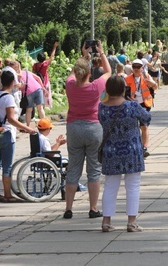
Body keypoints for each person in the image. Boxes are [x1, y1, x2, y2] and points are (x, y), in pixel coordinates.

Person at [63, 41, 111, 220]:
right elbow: (108, 72)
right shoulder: (95, 87)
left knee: (73, 168)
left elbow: (72, 74)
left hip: (74, 128)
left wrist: (83, 56)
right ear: (90, 73)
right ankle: (92, 208)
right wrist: (102, 52)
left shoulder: (70, 86)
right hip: (93, 128)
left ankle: (68, 209)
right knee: (94, 169)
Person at [99, 76, 152, 232]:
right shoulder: (132, 106)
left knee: (110, 186)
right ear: (124, 89)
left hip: (110, 151)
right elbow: (147, 118)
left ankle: (106, 221)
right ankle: (131, 222)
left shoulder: (101, 108)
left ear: (107, 90)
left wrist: (105, 95)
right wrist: (130, 99)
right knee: (133, 186)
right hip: (132, 150)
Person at [0, 71, 36, 202]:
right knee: (7, 166)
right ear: (12, 82)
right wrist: (27, 128)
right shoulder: (8, 97)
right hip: (7, 133)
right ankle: (7, 194)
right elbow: (11, 119)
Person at [124, 60, 157, 158]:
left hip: (144, 104)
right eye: (134, 67)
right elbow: (123, 92)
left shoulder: (147, 77)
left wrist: (152, 83)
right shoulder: (127, 79)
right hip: (132, 105)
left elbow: (155, 87)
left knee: (144, 126)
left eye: (138, 67)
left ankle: (144, 147)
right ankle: (134, 147)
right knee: (132, 126)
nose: (136, 69)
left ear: (142, 68)